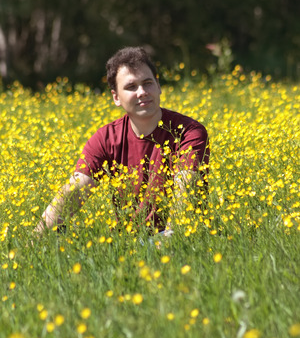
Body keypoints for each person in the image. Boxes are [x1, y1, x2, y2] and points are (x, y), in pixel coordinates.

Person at [34, 47, 209, 236]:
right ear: (116, 97)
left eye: (148, 83)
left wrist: (169, 245)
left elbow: (185, 195)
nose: (142, 92)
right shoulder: (106, 138)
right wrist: (33, 244)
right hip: (126, 242)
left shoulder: (189, 132)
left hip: (177, 238)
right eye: (131, 87)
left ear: (158, 87)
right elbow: (73, 192)